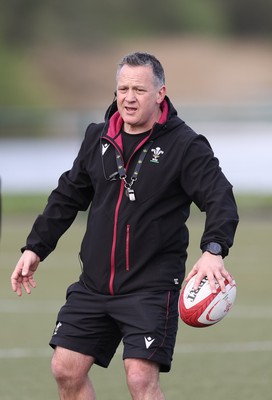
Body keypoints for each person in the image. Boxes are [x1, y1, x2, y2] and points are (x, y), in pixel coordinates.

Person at [11, 52, 239, 400]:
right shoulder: (98, 137)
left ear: (161, 93)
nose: (129, 98)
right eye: (123, 89)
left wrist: (213, 250)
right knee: (65, 369)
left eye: (139, 90)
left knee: (139, 380)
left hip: (150, 287)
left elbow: (219, 196)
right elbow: (68, 195)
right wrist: (35, 247)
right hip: (94, 284)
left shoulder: (185, 146)